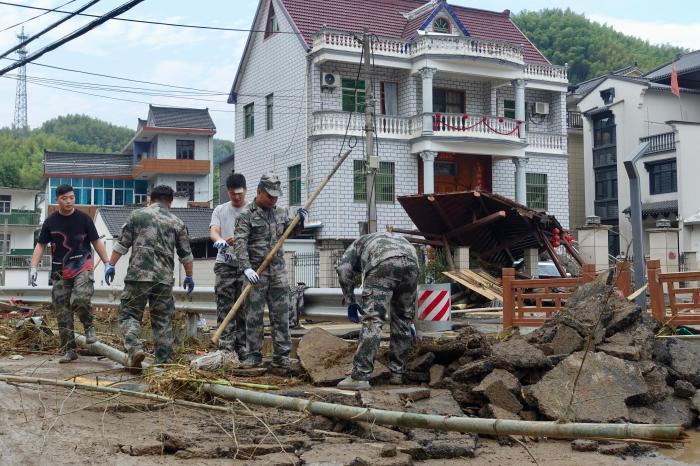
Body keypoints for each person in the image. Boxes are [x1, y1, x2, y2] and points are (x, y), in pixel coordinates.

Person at [105, 185, 194, 370]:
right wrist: (189, 276)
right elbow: (186, 255)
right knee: (162, 320)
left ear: (149, 199)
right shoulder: (177, 222)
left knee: (129, 314)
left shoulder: (137, 215)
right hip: (163, 279)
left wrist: (110, 265)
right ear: (170, 202)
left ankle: (135, 348)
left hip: (138, 276)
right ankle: (163, 364)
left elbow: (122, 245)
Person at [233, 173, 306, 372]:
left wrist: (299, 221)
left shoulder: (281, 213)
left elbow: (292, 233)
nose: (273, 200)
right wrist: (246, 267)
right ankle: (253, 355)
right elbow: (240, 243)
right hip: (256, 273)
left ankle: (281, 356)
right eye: (269, 196)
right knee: (253, 317)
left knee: (282, 316)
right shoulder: (246, 215)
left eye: (276, 197)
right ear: (259, 192)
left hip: (278, 272)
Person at [29, 185, 111, 363]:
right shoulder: (51, 221)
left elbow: (96, 241)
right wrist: (33, 267)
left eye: (72, 198)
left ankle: (89, 327)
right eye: (65, 198)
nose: (69, 201)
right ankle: (69, 349)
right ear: (57, 199)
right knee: (62, 311)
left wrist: (107, 263)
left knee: (81, 298)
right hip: (60, 270)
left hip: (83, 265)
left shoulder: (84, 219)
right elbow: (41, 245)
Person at [336, 232, 419, 390]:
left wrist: (350, 300)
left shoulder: (356, 245)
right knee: (403, 320)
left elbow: (343, 270)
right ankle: (397, 373)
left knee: (373, 320)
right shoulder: (389, 239)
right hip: (412, 263)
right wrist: (409, 321)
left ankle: (360, 375)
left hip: (383, 263)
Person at [210, 173, 248, 359]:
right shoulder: (220, 209)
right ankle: (225, 348)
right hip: (225, 263)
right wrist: (219, 241)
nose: (237, 197)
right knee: (225, 307)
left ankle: (243, 348)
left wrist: (240, 240)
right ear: (228, 192)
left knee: (244, 309)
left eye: (240, 193)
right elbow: (214, 230)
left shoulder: (252, 211)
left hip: (246, 265)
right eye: (233, 194)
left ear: (245, 191)